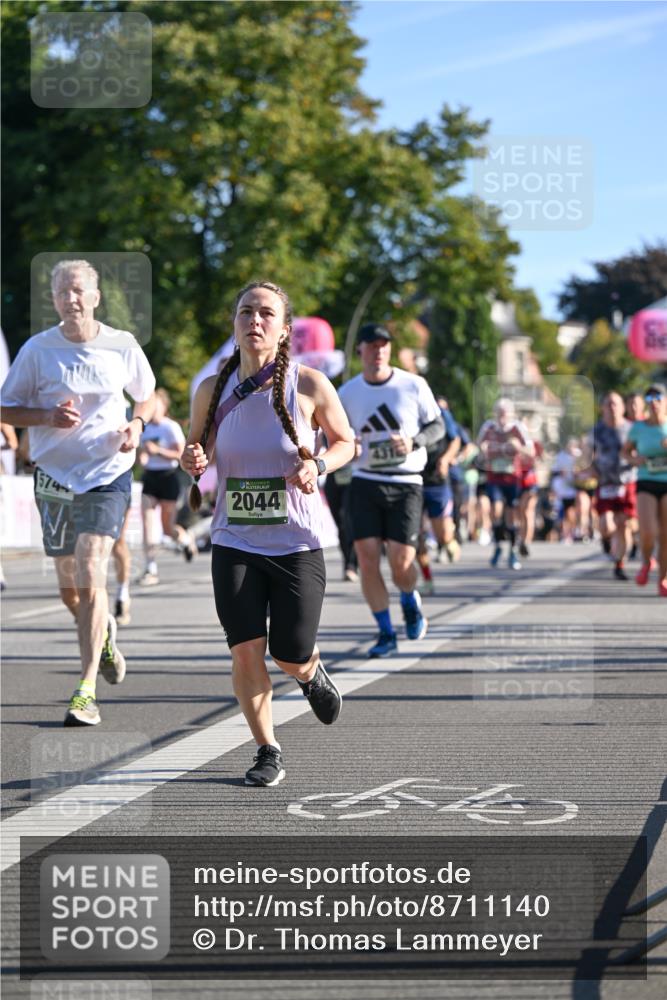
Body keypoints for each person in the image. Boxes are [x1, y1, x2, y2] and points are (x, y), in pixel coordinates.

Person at [180, 281, 354, 786]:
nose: (254, 320)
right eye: (245, 312)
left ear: (283, 331)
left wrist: (318, 464)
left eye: (266, 314)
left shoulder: (310, 385)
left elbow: (347, 443)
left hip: (297, 542)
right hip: (234, 539)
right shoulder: (212, 390)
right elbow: (197, 451)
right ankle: (266, 749)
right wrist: (192, 458)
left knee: (289, 651)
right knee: (245, 649)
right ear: (235, 325)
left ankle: (309, 673)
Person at [0, 259, 155, 725]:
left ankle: (85, 689)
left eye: (77, 291)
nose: (70, 299)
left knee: (91, 567)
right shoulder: (37, 350)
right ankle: (102, 630)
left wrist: (137, 423)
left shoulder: (121, 345)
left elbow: (146, 393)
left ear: (94, 297)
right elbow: (5, 408)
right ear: (54, 301)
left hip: (107, 472)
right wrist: (46, 417)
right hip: (54, 478)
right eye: (61, 292)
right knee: (72, 591)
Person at [338, 323, 444, 658]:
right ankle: (385, 632)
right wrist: (347, 446)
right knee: (368, 561)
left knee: (401, 563)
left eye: (384, 345)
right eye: (372, 345)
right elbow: (333, 434)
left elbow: (438, 425)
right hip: (365, 480)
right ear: (361, 352)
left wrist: (414, 441)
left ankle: (410, 600)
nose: (378, 351)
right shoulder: (348, 393)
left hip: (405, 482)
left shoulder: (413, 385)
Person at [137, 387, 186, 586]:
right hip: (150, 477)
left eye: (156, 405)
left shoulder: (170, 427)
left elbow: (181, 455)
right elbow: (141, 455)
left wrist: (158, 450)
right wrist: (142, 457)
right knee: (147, 523)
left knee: (167, 529)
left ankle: (184, 539)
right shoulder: (144, 428)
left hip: (169, 477)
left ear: (163, 407)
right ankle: (151, 568)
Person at [622, 383, 667, 596]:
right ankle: (647, 561)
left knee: (666, 535)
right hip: (646, 481)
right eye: (649, 400)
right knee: (648, 532)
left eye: (658, 398)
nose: (654, 403)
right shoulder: (639, 428)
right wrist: (634, 459)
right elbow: (625, 452)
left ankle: (664, 578)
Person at [477, 399, 533, 570]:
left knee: (511, 514)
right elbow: (478, 446)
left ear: (511, 414)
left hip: (512, 476)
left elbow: (531, 451)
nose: (502, 417)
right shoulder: (489, 427)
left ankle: (512, 550)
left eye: (505, 413)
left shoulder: (517, 428)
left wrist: (518, 448)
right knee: (495, 509)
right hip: (494, 475)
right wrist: (483, 449)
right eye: (499, 413)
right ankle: (498, 546)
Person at [587, 392, 636, 580]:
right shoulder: (596, 430)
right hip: (605, 482)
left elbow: (640, 450)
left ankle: (619, 563)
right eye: (609, 404)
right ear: (603, 408)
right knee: (606, 525)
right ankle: (607, 540)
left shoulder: (631, 429)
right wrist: (591, 469)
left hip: (626, 482)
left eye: (616, 404)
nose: (612, 408)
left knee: (624, 525)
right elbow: (586, 454)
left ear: (623, 407)